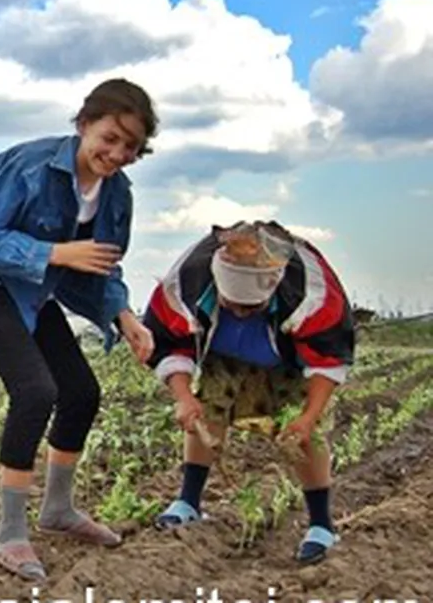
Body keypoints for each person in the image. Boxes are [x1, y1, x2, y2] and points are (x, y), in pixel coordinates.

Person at [0, 78, 158, 580]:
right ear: (83, 125)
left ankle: (57, 510)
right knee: (35, 390)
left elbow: (103, 265)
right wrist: (55, 253)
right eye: (109, 137)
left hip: (33, 285)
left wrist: (125, 317)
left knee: (81, 392)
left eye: (130, 146)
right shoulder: (30, 165)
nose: (117, 152)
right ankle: (9, 535)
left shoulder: (118, 194)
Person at [141, 220, 355, 565]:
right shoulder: (188, 279)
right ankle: (188, 502)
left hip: (287, 357)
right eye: (232, 305)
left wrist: (307, 418)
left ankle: (321, 525)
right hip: (222, 351)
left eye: (250, 308)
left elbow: (328, 357)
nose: (239, 313)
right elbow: (168, 341)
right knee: (207, 408)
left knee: (305, 434)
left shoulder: (311, 290)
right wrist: (183, 397)